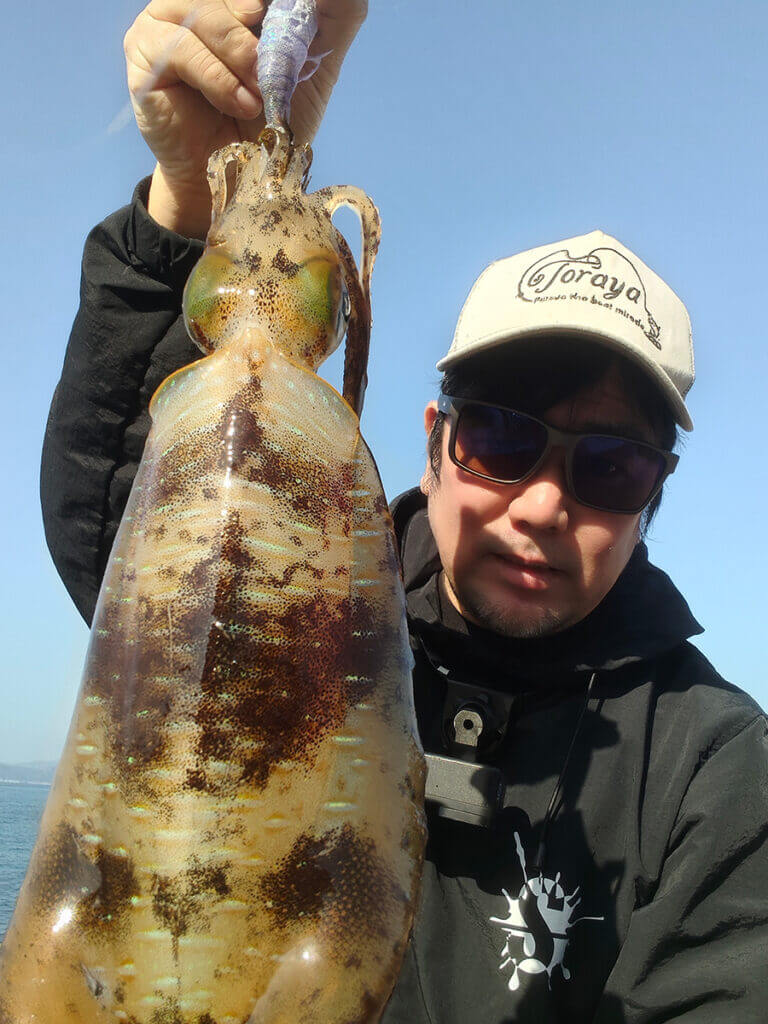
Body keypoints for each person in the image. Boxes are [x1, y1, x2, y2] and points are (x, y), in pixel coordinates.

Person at [40, 1, 768, 1020]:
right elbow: (123, 520)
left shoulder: (714, 773)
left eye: (610, 467)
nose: (544, 504)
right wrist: (184, 213)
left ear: (656, 494)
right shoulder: (300, 610)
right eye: (503, 438)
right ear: (434, 441)